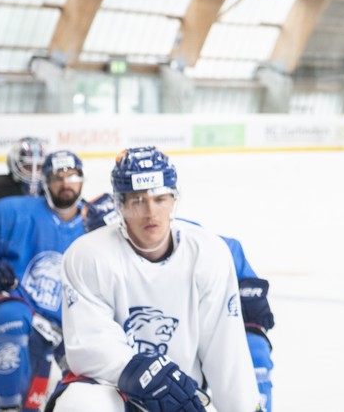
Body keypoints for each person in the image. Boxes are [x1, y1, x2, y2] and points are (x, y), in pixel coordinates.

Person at [47, 146, 261, 411]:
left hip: (183, 397)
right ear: (120, 205)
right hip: (111, 391)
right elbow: (90, 346)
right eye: (137, 201)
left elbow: (226, 352)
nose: (150, 212)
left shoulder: (209, 253)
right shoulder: (87, 255)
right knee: (79, 404)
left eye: (160, 199)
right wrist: (149, 376)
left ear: (174, 200)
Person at [78, 192, 275, 411]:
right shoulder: (89, 265)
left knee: (254, 350)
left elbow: (230, 252)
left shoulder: (190, 242)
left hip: (200, 338)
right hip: (148, 364)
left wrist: (248, 310)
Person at [0, 150, 86, 412]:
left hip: (70, 324)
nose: (65, 183)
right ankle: (6, 407)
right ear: (45, 182)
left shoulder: (96, 225)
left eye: (72, 176)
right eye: (58, 177)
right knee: (9, 317)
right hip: (22, 309)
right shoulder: (11, 211)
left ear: (82, 180)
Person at [0, 137, 47, 205]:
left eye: (38, 167)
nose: (33, 173)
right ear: (14, 165)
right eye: (28, 166)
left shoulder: (49, 189)